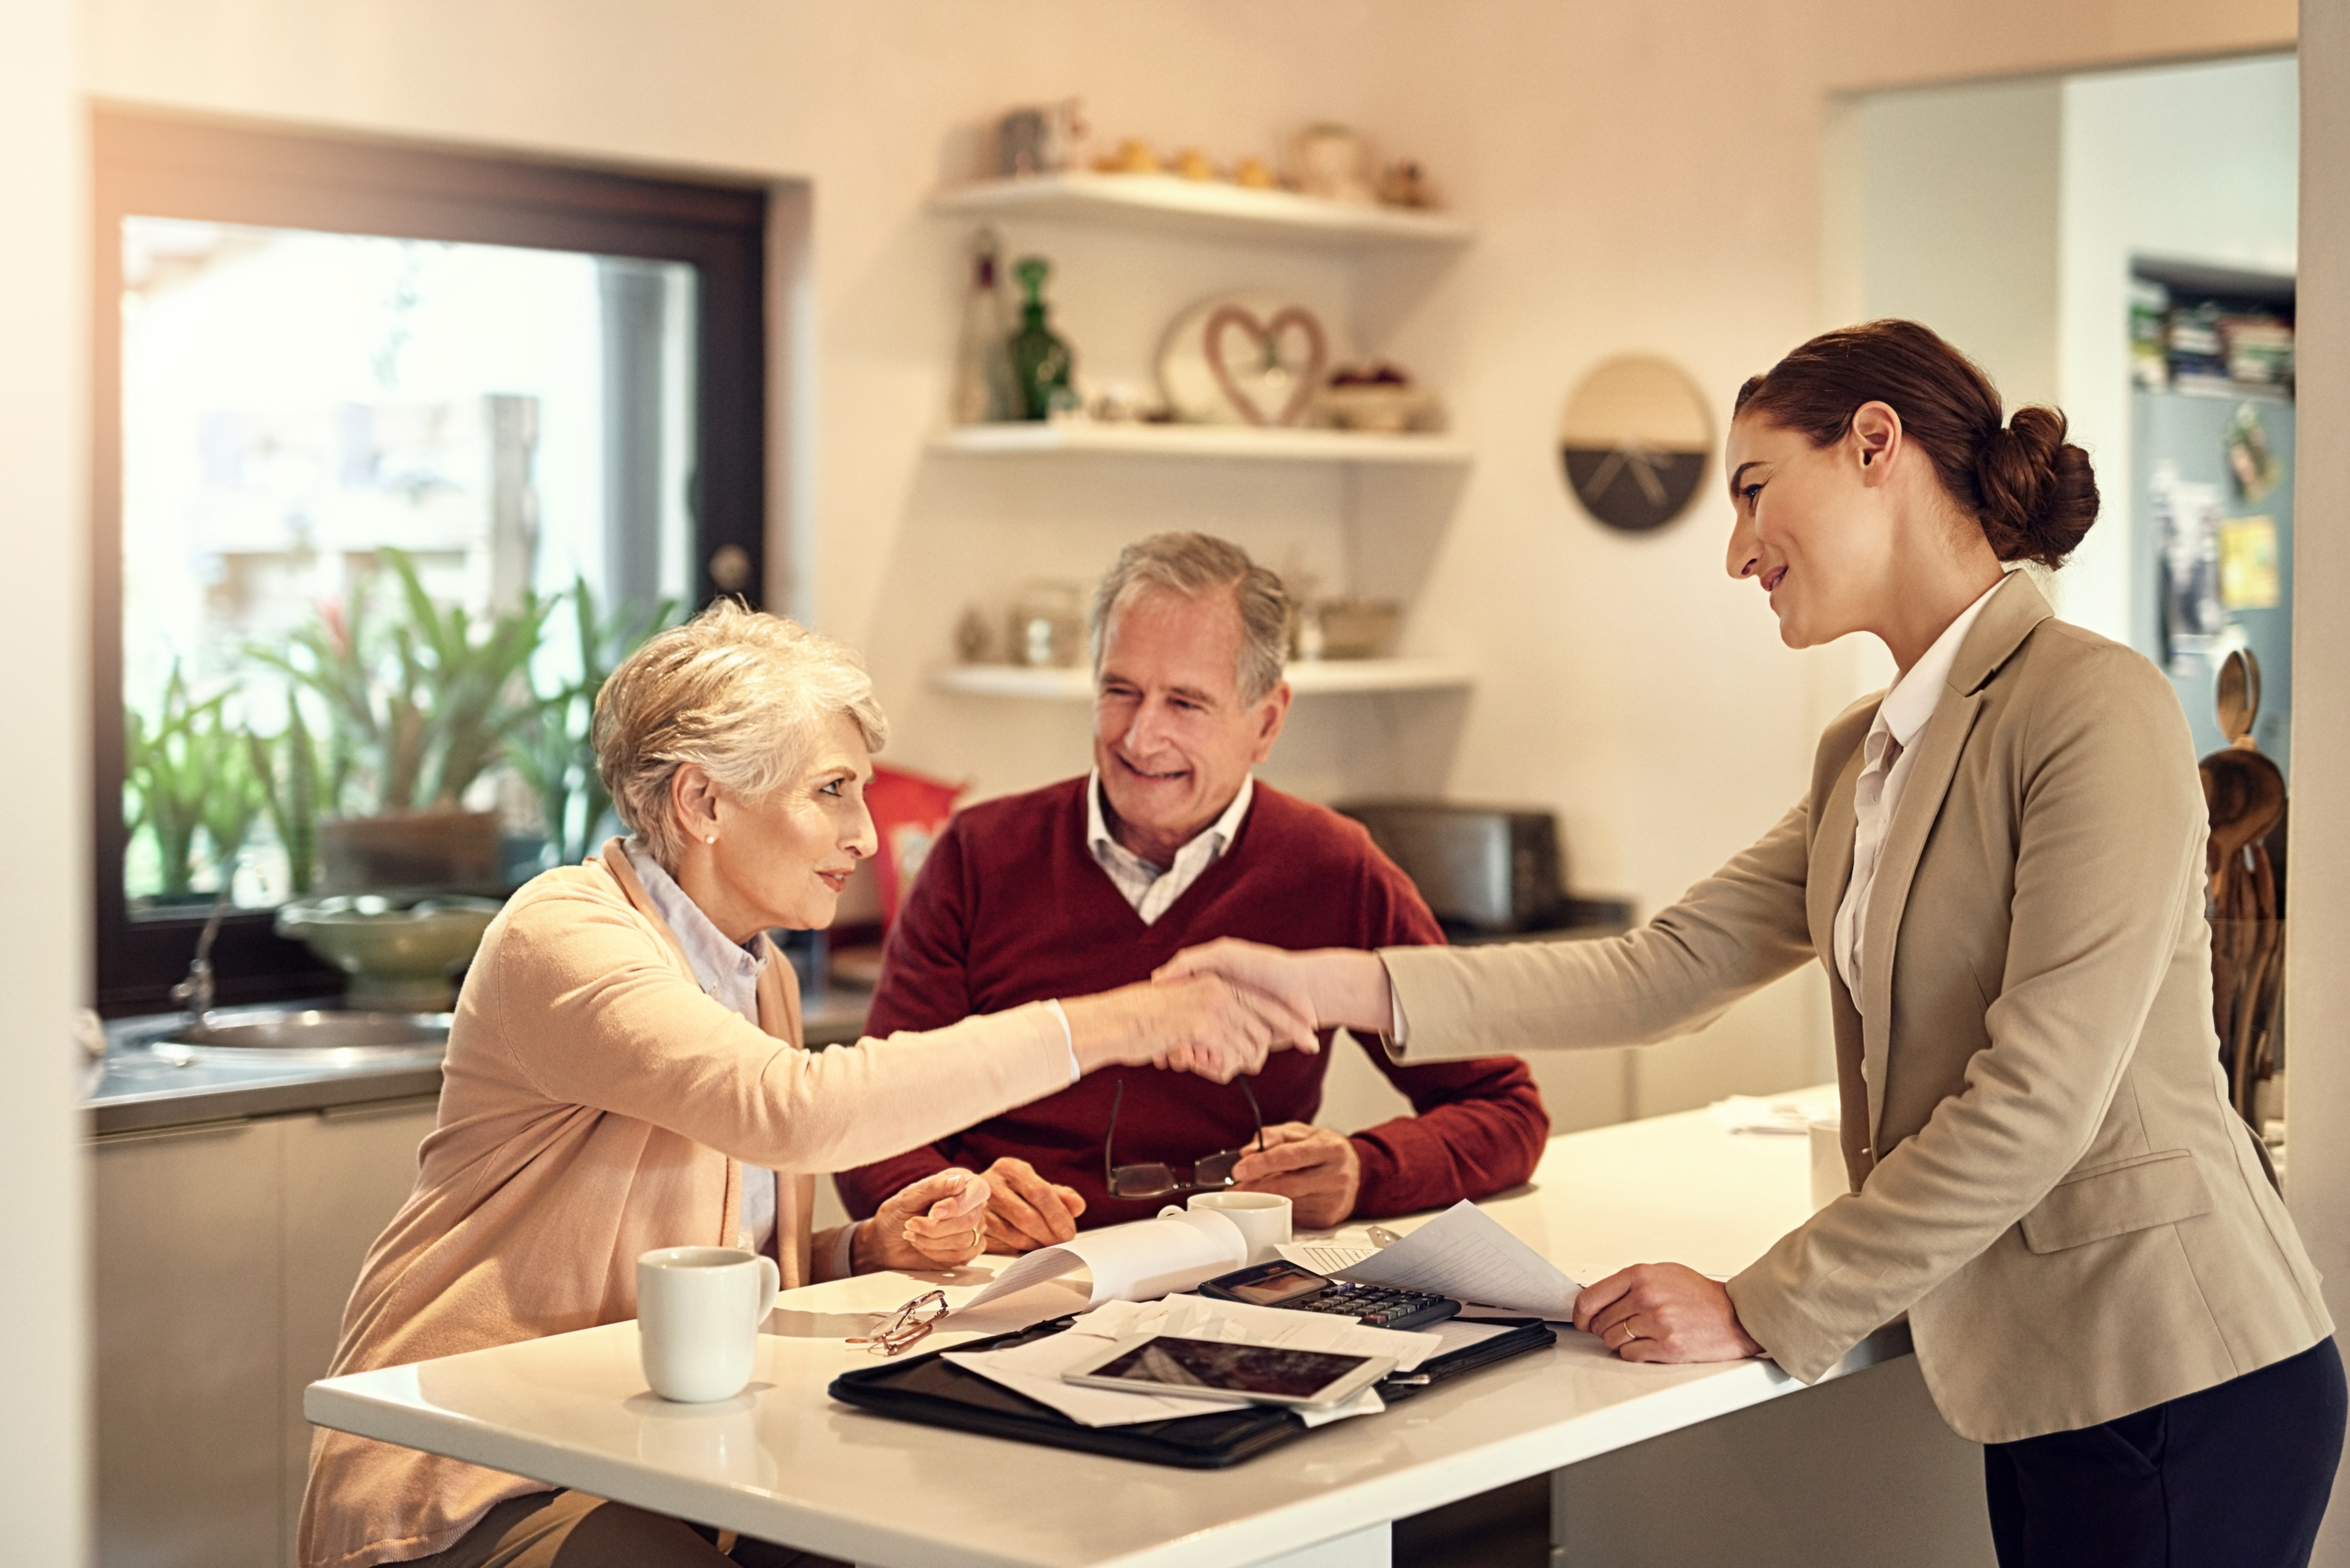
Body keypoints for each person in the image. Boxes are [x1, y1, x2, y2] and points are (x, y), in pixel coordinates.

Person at [1164, 322, 2345, 1568]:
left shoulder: (2094, 706)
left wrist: (1761, 1302)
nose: (1736, 552)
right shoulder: (1869, 750)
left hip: (2175, 1370)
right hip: (2053, 1383)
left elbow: (2036, 1098)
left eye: (1751, 489)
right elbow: (1663, 963)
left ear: (1874, 443)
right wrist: (1329, 983)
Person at [299, 601, 1306, 1568]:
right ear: (702, 802)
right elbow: (796, 1110)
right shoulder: (564, 936)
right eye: (832, 791)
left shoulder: (756, 970)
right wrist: (1125, 1019)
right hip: (483, 1477)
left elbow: (698, 1266)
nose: (866, 836)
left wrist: (864, 1247)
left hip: (664, 1461)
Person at [836, 533, 1546, 1250]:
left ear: (1265, 722)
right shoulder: (979, 852)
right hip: (1009, 1281)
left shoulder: (1334, 868)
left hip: (1234, 1277)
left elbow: (1505, 1110)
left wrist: (1364, 1171)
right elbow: (867, 1120)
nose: (1142, 738)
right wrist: (952, 1201)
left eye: (1185, 703)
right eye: (1120, 691)